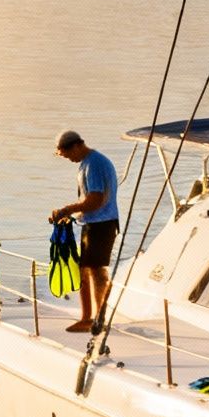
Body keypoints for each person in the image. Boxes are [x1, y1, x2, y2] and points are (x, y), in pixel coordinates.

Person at [48, 130, 119, 333]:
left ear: (77, 146)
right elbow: (90, 201)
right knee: (84, 269)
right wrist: (70, 215)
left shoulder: (94, 164)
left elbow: (95, 200)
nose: (69, 159)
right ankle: (87, 317)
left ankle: (98, 318)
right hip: (93, 222)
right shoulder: (86, 163)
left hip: (102, 224)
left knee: (96, 271)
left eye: (68, 154)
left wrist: (67, 209)